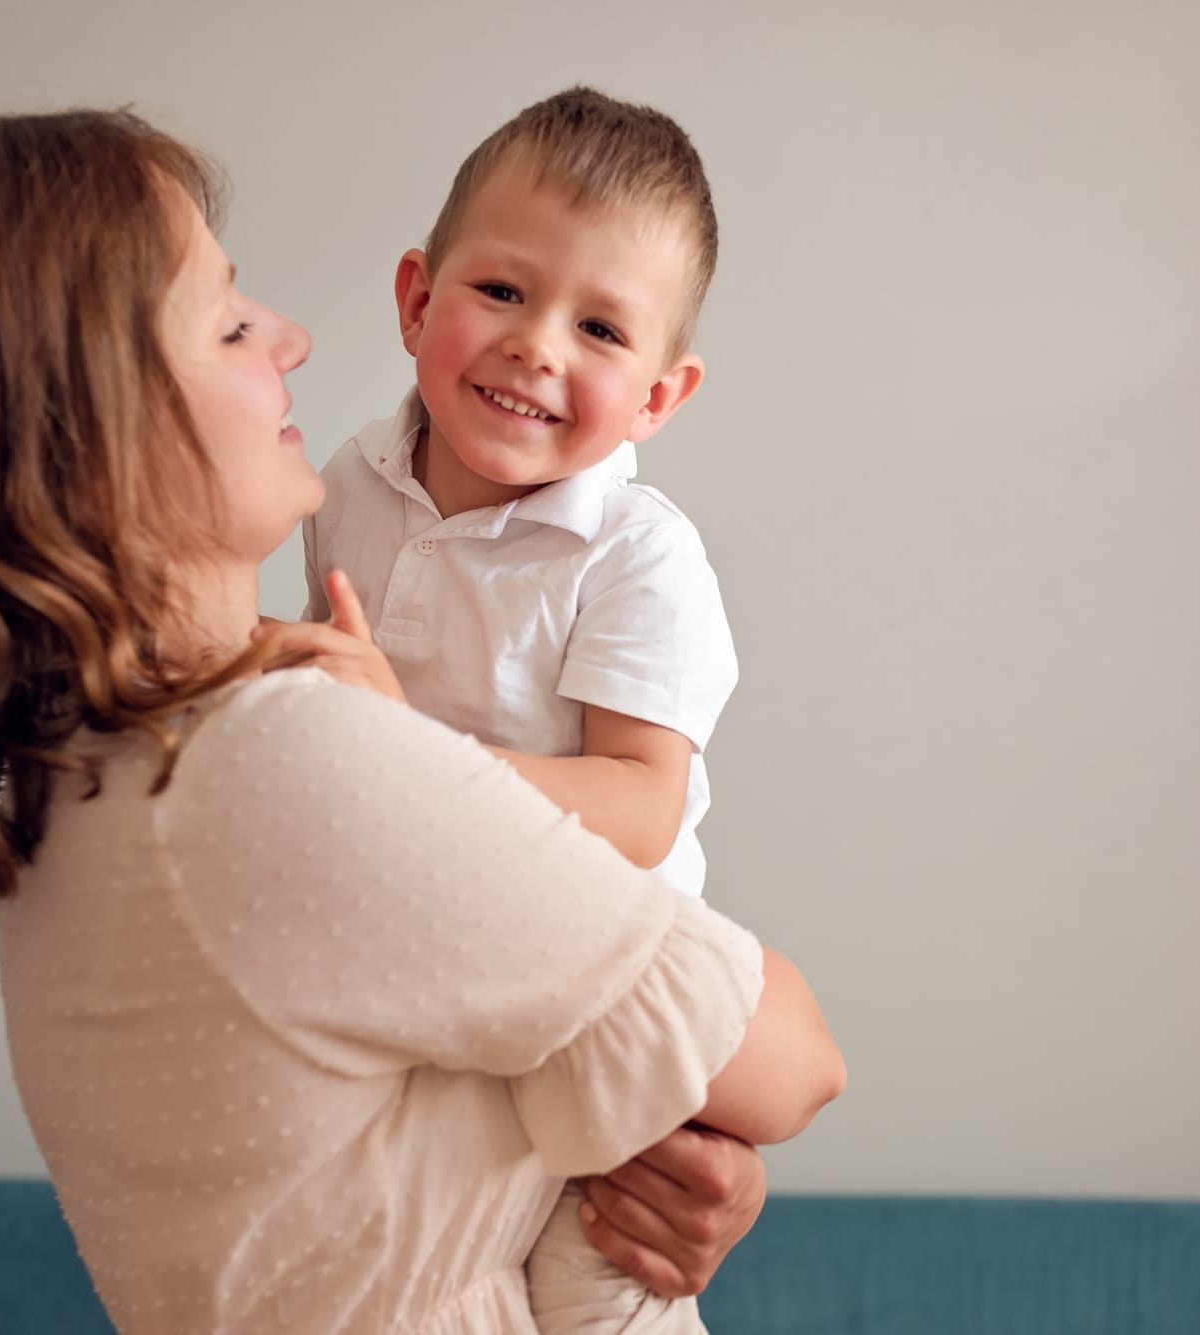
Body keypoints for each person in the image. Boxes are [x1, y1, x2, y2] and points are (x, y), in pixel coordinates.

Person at [0, 108, 845, 1335]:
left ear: (659, 392)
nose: (292, 338)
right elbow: (797, 1058)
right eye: (226, 321)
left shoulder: (95, 758)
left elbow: (423, 1100)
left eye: (598, 327)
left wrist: (659, 1141)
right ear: (91, 423)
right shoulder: (273, 759)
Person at [282, 87, 743, 1331]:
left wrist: (410, 755)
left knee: (598, 1286)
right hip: (436, 982)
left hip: (601, 1000)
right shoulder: (349, 482)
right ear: (413, 300)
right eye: (500, 291)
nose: (537, 345)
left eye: (599, 327)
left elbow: (642, 807)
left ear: (656, 397)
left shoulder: (636, 557)